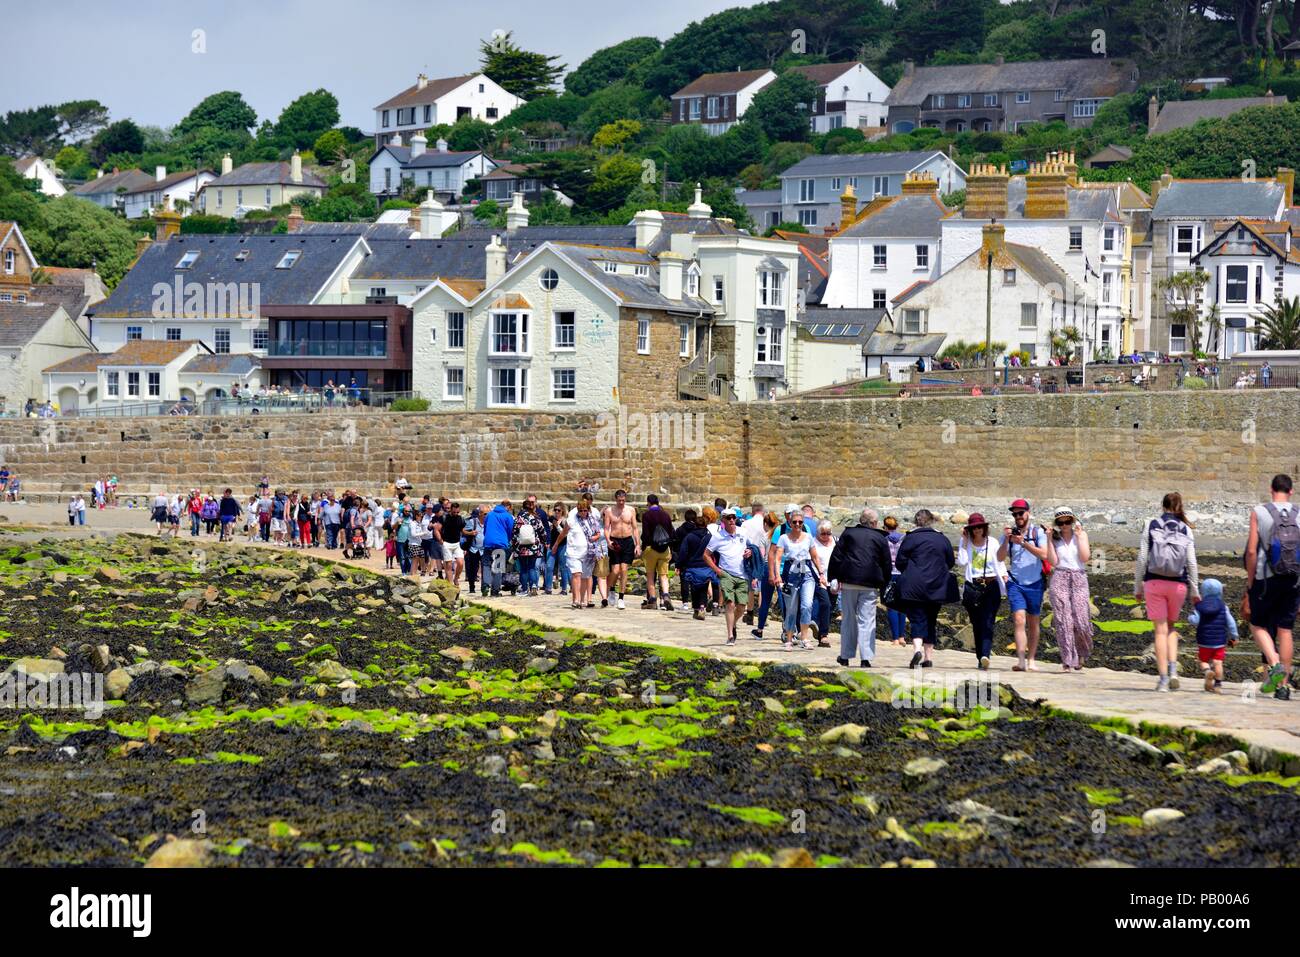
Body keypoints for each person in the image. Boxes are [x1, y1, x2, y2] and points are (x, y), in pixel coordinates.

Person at [1134, 491, 1200, 692]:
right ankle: (1173, 671)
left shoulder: (1151, 524)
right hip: (1178, 585)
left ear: (1162, 506)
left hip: (1154, 583)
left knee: (1160, 631)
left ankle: (1163, 679)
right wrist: (1194, 590)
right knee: (1171, 628)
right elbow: (1191, 562)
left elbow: (1142, 558)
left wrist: (1137, 586)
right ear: (1180, 507)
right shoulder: (1186, 529)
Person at [1244, 474, 1298, 698]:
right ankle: (1283, 687)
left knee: (1258, 625)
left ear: (1271, 489)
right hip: (1294, 578)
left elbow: (1251, 551)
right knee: (1285, 630)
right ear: (1291, 491)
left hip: (1266, 578)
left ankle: (1274, 662)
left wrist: (1250, 582)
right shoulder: (1298, 513)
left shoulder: (1259, 511)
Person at [894, 509, 960, 668]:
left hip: (914, 585)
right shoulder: (942, 538)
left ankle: (917, 650)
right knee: (931, 619)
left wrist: (910, 571)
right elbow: (950, 561)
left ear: (916, 522)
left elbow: (900, 562)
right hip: (937, 586)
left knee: (917, 618)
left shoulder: (910, 538)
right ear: (932, 521)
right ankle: (928, 658)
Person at [828, 508, 892, 668]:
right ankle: (866, 658)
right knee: (867, 620)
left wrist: (833, 577)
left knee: (848, 619)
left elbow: (836, 556)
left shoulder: (849, 534)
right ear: (874, 523)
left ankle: (845, 655)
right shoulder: (880, 537)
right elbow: (886, 562)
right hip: (870, 583)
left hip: (849, 580)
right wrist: (886, 583)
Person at [997, 498, 1049, 672]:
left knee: (1033, 622)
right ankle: (1020, 660)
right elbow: (999, 557)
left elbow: (1045, 554)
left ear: (1028, 513)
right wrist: (1006, 540)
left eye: (1020, 513)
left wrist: (1024, 543)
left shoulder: (1037, 532)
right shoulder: (1009, 534)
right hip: (1015, 582)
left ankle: (1031, 659)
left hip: (1035, 583)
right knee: (1019, 620)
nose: (1018, 516)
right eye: (1015, 514)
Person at [957, 513, 1007, 671]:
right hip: (973, 587)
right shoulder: (966, 542)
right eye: (974, 528)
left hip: (991, 586)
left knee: (988, 622)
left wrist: (1004, 575)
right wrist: (964, 542)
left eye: (980, 527)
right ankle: (980, 657)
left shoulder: (992, 542)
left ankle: (985, 655)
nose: (977, 530)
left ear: (984, 527)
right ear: (969, 530)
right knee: (977, 624)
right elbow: (962, 562)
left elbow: (999, 561)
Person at [1045, 506, 1093, 672]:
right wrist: (1049, 539)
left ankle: (1082, 652)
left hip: (1079, 577)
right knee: (1063, 620)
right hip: (1060, 577)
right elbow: (1052, 561)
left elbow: (1085, 557)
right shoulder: (1055, 538)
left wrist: (1079, 538)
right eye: (1061, 522)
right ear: (1057, 523)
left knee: (1081, 620)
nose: (1064, 525)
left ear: (1072, 521)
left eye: (1067, 521)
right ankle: (1067, 659)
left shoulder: (1081, 535)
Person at [770, 509, 824, 650]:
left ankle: (804, 637)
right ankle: (789, 637)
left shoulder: (808, 537)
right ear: (790, 522)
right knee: (791, 608)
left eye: (800, 522)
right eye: (795, 522)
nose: (797, 524)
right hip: (791, 572)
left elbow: (814, 556)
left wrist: (821, 573)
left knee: (807, 605)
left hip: (806, 572)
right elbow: (778, 558)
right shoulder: (784, 538)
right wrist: (777, 575)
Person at [703, 508, 752, 644]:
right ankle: (730, 635)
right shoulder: (718, 537)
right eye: (728, 518)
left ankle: (733, 623)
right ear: (723, 520)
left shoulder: (743, 533)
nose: (732, 520)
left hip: (742, 574)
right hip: (726, 574)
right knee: (730, 604)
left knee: (742, 606)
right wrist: (717, 570)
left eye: (733, 518)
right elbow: (706, 555)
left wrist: (750, 552)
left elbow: (752, 547)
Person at [1188, 578, 1238, 694]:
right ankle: (1218, 685)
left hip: (1204, 640)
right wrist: (1234, 636)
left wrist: (1190, 617)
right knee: (1218, 662)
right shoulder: (1223, 607)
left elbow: (1195, 621)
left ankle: (1207, 671)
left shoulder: (1199, 606)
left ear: (1203, 592)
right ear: (1220, 592)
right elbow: (1231, 623)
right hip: (1220, 641)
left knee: (1203, 660)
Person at [678, 512, 717, 622]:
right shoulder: (709, 537)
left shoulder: (689, 537)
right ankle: (702, 607)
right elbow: (716, 551)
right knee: (704, 589)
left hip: (692, 566)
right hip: (706, 566)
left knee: (694, 588)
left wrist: (679, 564)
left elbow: (683, 552)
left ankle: (696, 609)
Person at [603, 489, 639, 610]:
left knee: (624, 569)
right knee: (615, 570)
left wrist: (637, 544)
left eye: (623, 500)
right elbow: (606, 528)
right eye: (619, 501)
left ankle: (621, 598)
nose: (621, 503)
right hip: (615, 540)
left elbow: (635, 528)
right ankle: (612, 589)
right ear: (616, 499)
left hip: (628, 541)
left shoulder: (631, 510)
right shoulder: (609, 511)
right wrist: (608, 541)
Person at [640, 494, 675, 611]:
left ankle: (653, 600)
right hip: (664, 549)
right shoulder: (665, 515)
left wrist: (643, 546)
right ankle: (665, 596)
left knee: (650, 575)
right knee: (663, 575)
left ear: (648, 502)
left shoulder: (646, 515)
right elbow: (671, 532)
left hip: (651, 549)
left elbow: (645, 534)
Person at [567, 497, 603, 609]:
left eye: (585, 510)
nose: (583, 512)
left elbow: (598, 533)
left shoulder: (593, 520)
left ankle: (582, 599)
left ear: (588, 510)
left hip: (589, 552)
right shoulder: (573, 520)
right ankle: (576, 599)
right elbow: (564, 532)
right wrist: (555, 545)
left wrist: (594, 538)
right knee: (576, 574)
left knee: (585, 576)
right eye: (581, 510)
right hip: (574, 552)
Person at [810, 521, 838, 646]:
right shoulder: (813, 543)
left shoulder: (836, 541)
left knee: (830, 607)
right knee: (824, 603)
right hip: (818, 578)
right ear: (818, 533)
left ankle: (821, 633)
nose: (826, 536)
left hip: (833, 580)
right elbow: (811, 561)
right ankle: (823, 634)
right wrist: (819, 577)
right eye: (823, 534)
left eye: (828, 533)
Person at [511, 502, 547, 597]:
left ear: (523, 507)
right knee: (532, 567)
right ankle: (534, 585)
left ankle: (524, 589)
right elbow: (543, 532)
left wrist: (514, 546)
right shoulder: (536, 518)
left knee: (523, 568)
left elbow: (514, 534)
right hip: (534, 547)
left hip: (521, 547)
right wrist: (543, 541)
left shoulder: (518, 519)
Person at [883, 516, 908, 646]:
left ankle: (895, 638)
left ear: (885, 527)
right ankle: (902, 636)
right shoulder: (904, 539)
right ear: (896, 526)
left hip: (889, 574)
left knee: (891, 606)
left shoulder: (884, 540)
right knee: (902, 606)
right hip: (902, 574)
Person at [483, 499, 515, 597]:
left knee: (486, 565)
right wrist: (507, 540)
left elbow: (485, 528)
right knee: (498, 567)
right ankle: (495, 591)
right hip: (500, 544)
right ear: (508, 507)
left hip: (488, 543)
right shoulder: (508, 516)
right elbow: (510, 531)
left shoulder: (489, 514)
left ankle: (485, 586)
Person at [440, 502, 466, 588]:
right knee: (449, 565)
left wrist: (470, 533)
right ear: (451, 510)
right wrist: (441, 540)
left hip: (457, 543)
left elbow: (463, 531)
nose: (456, 514)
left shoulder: (460, 519)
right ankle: (451, 584)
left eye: (457, 512)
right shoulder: (444, 517)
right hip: (447, 543)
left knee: (461, 563)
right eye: (454, 512)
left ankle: (456, 578)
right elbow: (436, 529)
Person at [549, 503, 571, 597]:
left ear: (562, 511)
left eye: (559, 510)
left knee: (563, 567)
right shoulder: (551, 519)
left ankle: (564, 589)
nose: (557, 512)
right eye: (555, 510)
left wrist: (557, 526)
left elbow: (565, 534)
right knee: (549, 566)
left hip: (562, 545)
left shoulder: (565, 521)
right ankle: (548, 588)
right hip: (552, 545)